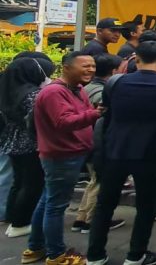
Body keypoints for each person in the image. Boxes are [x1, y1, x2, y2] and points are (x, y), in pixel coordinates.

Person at [87, 41, 156, 265]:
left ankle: (95, 255)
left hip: (115, 149)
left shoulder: (115, 83)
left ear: (136, 58)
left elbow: (106, 112)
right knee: (145, 206)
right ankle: (136, 255)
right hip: (149, 152)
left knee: (104, 205)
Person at [22, 52, 100, 265]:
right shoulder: (54, 92)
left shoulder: (78, 89)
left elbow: (83, 113)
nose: (90, 70)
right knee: (56, 206)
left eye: (93, 66)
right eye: (85, 66)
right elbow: (63, 122)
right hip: (62, 156)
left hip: (72, 153)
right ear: (66, 67)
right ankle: (56, 255)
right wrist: (96, 114)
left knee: (48, 201)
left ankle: (35, 248)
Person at [1, 57, 55, 239]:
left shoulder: (9, 90)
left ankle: (12, 217)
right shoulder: (33, 95)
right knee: (32, 184)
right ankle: (21, 223)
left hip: (12, 141)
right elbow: (41, 120)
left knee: (18, 182)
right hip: (31, 143)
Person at [75, 53, 126, 235]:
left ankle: (81, 218)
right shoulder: (101, 91)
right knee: (100, 182)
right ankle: (91, 220)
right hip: (97, 142)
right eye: (122, 68)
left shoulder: (87, 87)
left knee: (94, 180)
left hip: (87, 141)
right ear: (113, 71)